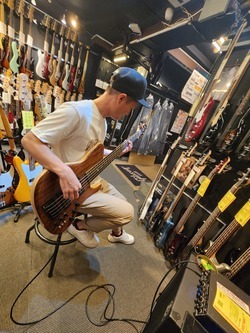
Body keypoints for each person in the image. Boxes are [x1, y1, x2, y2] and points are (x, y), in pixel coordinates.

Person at [21, 67, 150, 248]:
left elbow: (89, 154)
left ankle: (115, 233)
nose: (129, 113)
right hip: (66, 190)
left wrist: (114, 153)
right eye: (132, 107)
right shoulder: (76, 111)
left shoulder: (103, 122)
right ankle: (78, 226)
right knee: (127, 213)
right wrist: (64, 171)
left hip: (90, 180)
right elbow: (30, 140)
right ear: (121, 98)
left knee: (124, 203)